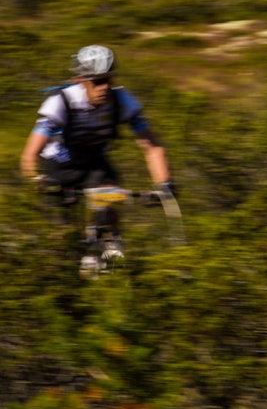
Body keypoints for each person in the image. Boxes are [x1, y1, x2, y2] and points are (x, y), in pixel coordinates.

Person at [20, 45, 176, 268]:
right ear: (79, 81)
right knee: (63, 234)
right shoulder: (61, 101)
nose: (104, 87)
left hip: (94, 163)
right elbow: (29, 155)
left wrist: (164, 183)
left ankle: (109, 253)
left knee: (108, 201)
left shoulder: (122, 100)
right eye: (97, 81)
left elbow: (152, 146)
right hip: (59, 165)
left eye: (108, 80)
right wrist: (36, 180)